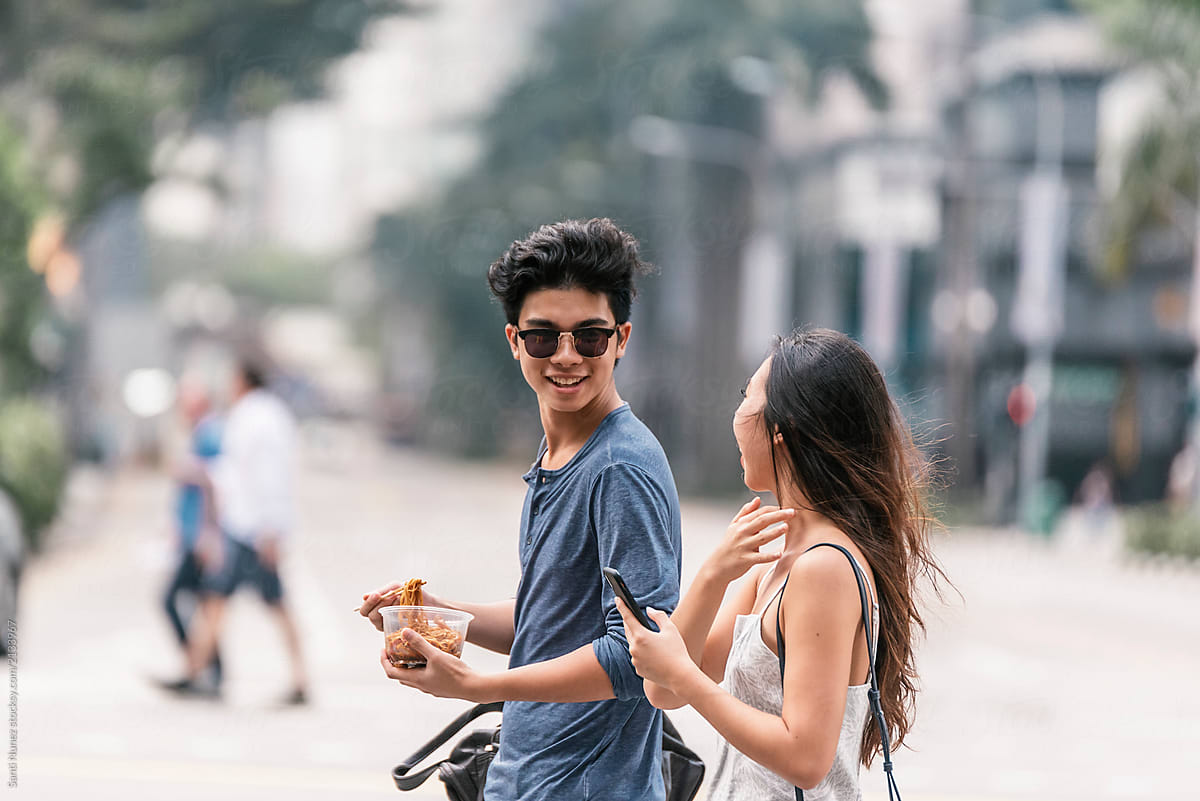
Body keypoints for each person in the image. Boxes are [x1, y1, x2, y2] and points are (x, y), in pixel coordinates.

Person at [358, 218, 683, 801]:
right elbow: (552, 627)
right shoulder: (563, 451)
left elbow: (639, 657)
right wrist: (439, 610)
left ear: (622, 339)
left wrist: (477, 685)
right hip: (528, 781)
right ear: (514, 341)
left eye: (590, 336)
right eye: (542, 337)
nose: (565, 357)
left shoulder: (620, 468)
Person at [615, 328, 947, 801]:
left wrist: (683, 675)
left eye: (746, 397)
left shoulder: (824, 567)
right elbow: (664, 691)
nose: (737, 415)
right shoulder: (776, 560)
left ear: (779, 428)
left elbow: (806, 759)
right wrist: (715, 573)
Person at [159, 361, 309, 704]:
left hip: (250, 529)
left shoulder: (256, 418)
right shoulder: (268, 415)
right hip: (251, 526)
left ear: (243, 380)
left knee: (235, 601)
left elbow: (266, 477)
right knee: (228, 601)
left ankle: (195, 671)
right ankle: (195, 670)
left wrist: (271, 531)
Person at [161, 376, 223, 690]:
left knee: (172, 599)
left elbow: (216, 485)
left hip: (201, 538)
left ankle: (197, 668)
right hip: (191, 535)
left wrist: (208, 535)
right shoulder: (198, 432)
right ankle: (208, 672)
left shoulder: (211, 433)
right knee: (205, 604)